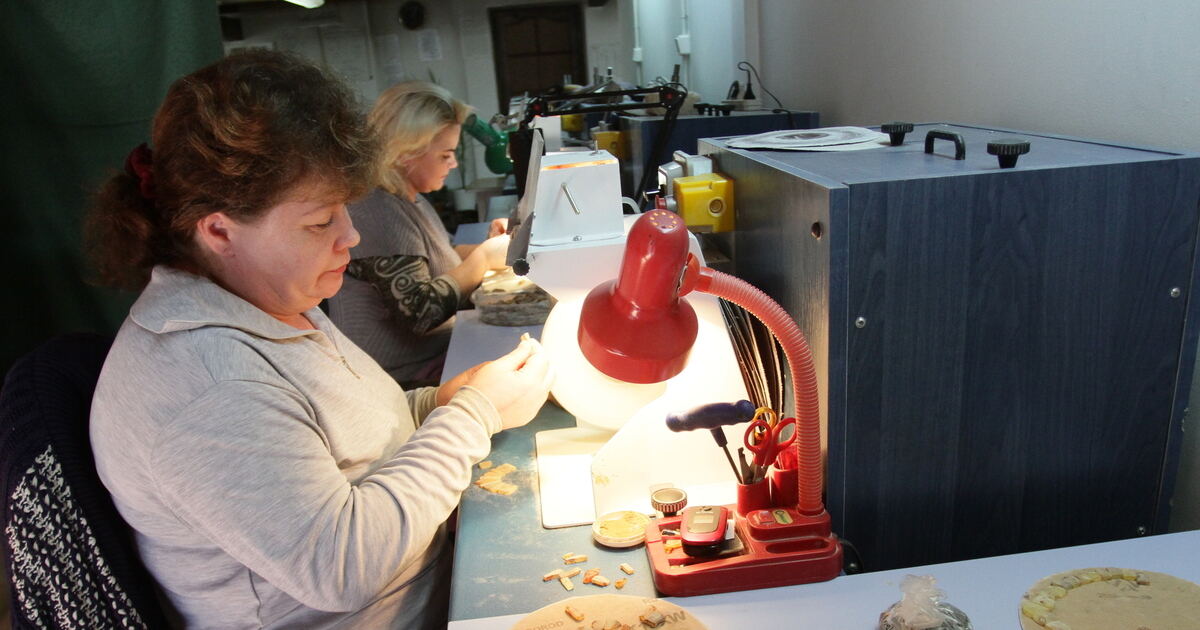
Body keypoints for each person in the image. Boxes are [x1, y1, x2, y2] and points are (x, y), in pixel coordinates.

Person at [85, 50, 552, 630]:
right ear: (219, 230)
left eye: (344, 211)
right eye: (320, 221)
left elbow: (345, 444)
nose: (351, 235)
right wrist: (473, 416)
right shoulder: (208, 386)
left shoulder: (269, 298)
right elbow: (342, 567)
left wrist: (440, 401)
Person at [326, 81, 511, 387]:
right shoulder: (377, 210)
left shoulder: (409, 196)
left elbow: (444, 253)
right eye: (445, 155)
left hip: (437, 355)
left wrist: (494, 245)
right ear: (405, 153)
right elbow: (421, 312)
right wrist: (483, 259)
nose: (453, 163)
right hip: (401, 380)